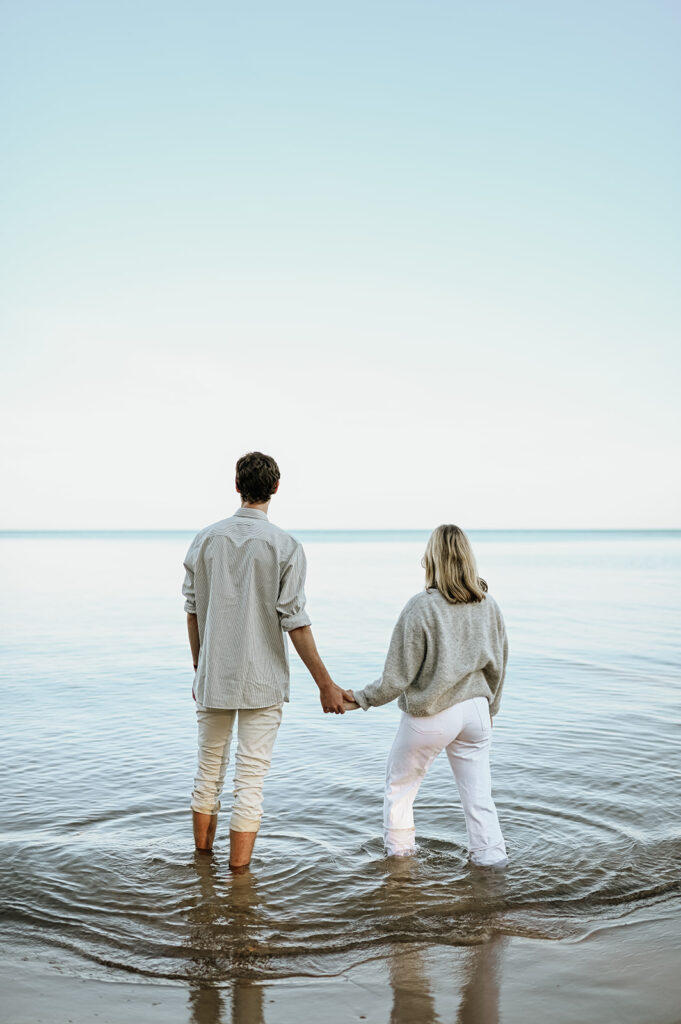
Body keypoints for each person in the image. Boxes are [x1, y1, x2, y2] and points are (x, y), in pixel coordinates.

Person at [182, 451, 352, 869]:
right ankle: (240, 883)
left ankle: (202, 871)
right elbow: (296, 622)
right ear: (275, 488)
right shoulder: (286, 546)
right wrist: (326, 685)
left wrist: (200, 667)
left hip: (214, 675)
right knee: (250, 782)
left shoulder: (205, 539)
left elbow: (192, 610)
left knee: (208, 773)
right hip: (262, 680)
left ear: (237, 486)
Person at [346, 524, 509, 867]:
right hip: (478, 711)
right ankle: (493, 868)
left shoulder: (421, 607)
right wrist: (491, 708)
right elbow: (499, 665)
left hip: (433, 711)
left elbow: (397, 678)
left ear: (430, 559)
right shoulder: (489, 605)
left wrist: (359, 698)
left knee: (400, 790)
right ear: (468, 559)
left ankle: (401, 870)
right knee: (479, 800)